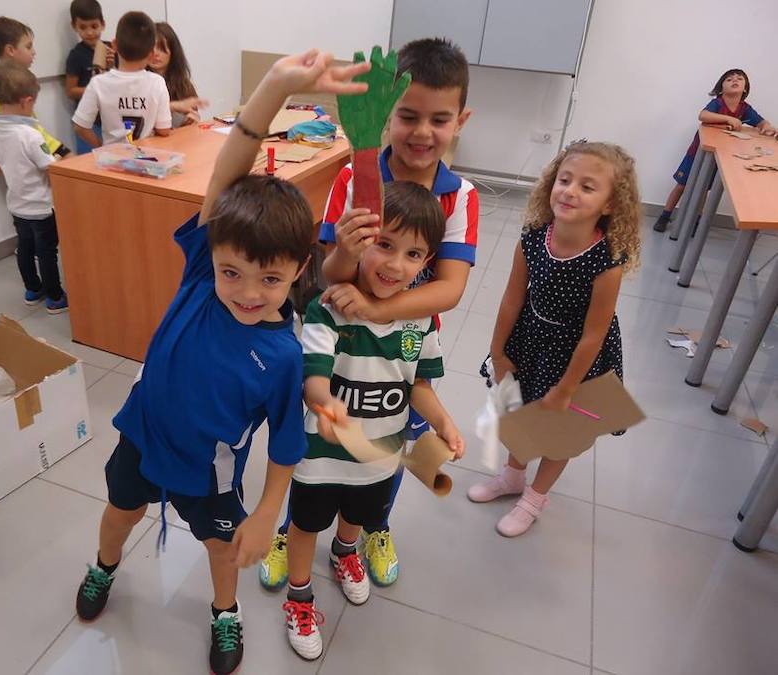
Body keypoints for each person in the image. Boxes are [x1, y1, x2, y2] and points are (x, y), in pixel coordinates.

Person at [71, 49, 369, 675]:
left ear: (299, 271)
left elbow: (286, 443)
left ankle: (224, 611)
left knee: (221, 547)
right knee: (120, 512)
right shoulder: (203, 279)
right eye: (233, 271)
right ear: (213, 255)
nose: (247, 291)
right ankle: (104, 567)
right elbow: (232, 163)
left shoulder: (284, 356)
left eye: (270, 278)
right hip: (141, 436)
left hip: (209, 473)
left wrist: (266, 512)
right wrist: (275, 86)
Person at [260, 37, 477, 592]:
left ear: (460, 121)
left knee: (388, 442)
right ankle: (293, 528)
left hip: (405, 347)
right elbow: (328, 274)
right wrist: (347, 254)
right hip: (337, 339)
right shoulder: (352, 177)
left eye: (439, 119)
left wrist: (379, 308)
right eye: (408, 115)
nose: (422, 132)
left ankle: (370, 528)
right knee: (321, 444)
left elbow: (449, 289)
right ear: (386, 115)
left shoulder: (460, 197)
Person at [281, 181, 465, 660]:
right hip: (320, 458)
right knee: (304, 524)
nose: (395, 264)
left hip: (379, 457)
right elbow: (313, 379)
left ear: (426, 263)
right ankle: (299, 595)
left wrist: (444, 423)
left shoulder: (420, 321)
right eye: (384, 244)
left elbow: (418, 385)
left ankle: (345, 553)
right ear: (361, 242)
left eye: (412, 254)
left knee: (357, 516)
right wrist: (326, 404)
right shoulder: (329, 308)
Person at [467, 141, 642, 537]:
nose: (570, 191)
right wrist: (498, 352)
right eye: (564, 180)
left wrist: (566, 389)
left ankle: (535, 498)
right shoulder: (532, 238)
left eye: (587, 186)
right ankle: (513, 476)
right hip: (531, 339)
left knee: (562, 431)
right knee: (522, 413)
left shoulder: (607, 262)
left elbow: (594, 334)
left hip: (578, 360)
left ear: (610, 204)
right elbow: (512, 299)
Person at [0, 62, 68, 314]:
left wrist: (15, 169)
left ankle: (32, 289)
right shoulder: (30, 135)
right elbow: (50, 168)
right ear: (27, 101)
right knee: (47, 252)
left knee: (26, 248)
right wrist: (59, 160)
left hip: (17, 205)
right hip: (41, 206)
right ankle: (55, 297)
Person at [653, 69, 775, 232]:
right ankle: (665, 215)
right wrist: (728, 118)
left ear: (745, 88)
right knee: (682, 185)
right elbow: (703, 115)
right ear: (721, 88)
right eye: (729, 79)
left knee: (704, 188)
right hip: (697, 153)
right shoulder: (718, 103)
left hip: (718, 155)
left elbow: (761, 122)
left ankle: (696, 221)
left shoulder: (745, 108)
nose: (734, 80)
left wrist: (767, 126)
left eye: (739, 79)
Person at [72, 11, 171, 148]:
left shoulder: (98, 83)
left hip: (112, 157)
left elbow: (80, 126)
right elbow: (164, 129)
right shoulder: (157, 82)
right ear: (151, 54)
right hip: (146, 156)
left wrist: (101, 147)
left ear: (114, 45)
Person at [0, 17, 69, 157]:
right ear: (10, 50)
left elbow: (33, 127)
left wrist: (58, 149)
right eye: (28, 46)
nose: (34, 52)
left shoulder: (21, 81)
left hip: (43, 148)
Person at [65, 0, 115, 153]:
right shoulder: (76, 55)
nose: (89, 32)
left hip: (111, 118)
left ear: (102, 24)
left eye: (94, 26)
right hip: (89, 123)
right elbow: (70, 91)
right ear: (74, 26)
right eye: (83, 27)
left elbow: (122, 82)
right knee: (90, 159)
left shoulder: (111, 49)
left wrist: (112, 65)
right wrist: (94, 89)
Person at [148, 21, 208, 127]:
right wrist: (176, 106)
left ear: (173, 51)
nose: (155, 54)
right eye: (151, 48)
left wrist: (190, 121)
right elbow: (143, 112)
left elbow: (192, 117)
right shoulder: (139, 82)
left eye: (161, 48)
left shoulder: (184, 85)